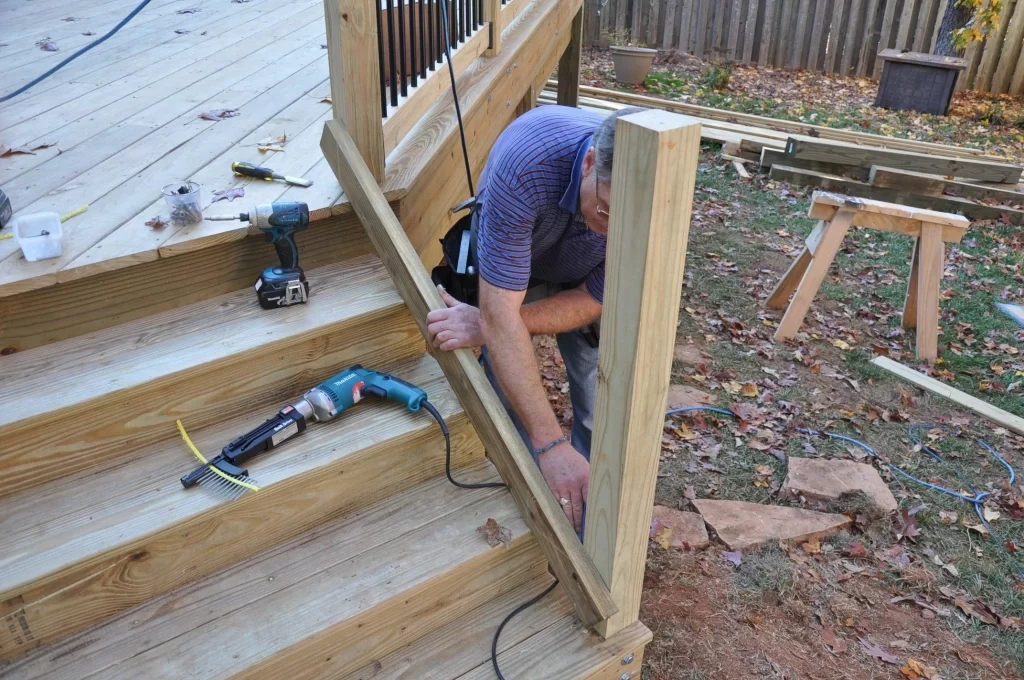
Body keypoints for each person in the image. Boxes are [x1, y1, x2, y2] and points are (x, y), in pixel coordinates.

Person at [426, 104, 644, 534]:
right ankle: (535, 505)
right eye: (604, 211)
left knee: (598, 405)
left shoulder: (655, 195)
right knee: (505, 404)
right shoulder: (527, 164)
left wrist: (493, 322)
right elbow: (502, 310)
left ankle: (589, 514)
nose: (610, 232)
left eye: (625, 224)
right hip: (516, 269)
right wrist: (550, 444)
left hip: (579, 281)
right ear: (588, 164)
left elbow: (593, 297)